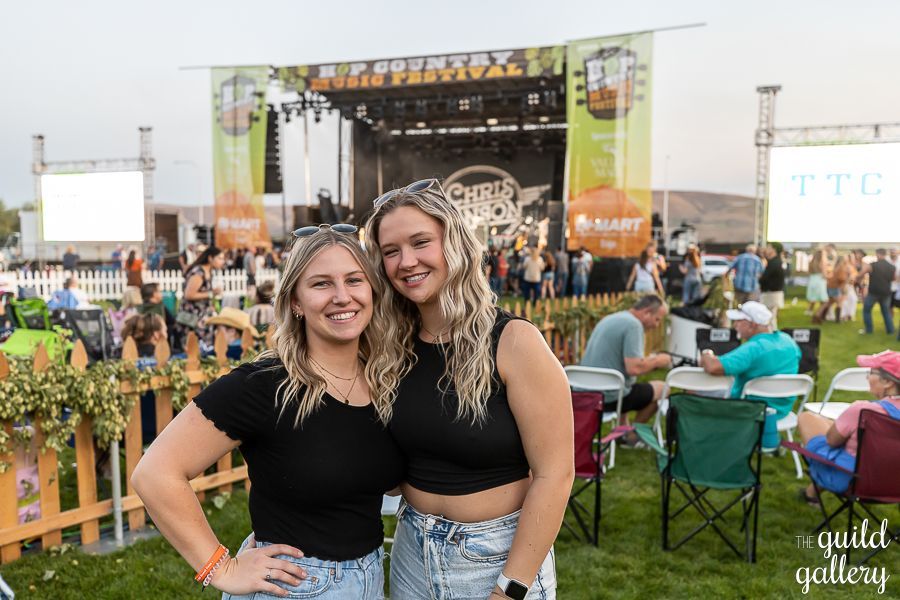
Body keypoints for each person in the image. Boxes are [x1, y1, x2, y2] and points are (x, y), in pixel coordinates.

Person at [132, 226, 404, 599]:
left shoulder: (382, 380)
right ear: (295, 302)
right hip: (295, 586)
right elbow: (154, 474)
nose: (342, 296)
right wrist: (221, 568)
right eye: (321, 284)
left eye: (354, 280)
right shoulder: (264, 385)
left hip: (369, 577)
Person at [365, 179, 573, 600]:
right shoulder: (391, 349)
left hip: (495, 559)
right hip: (411, 554)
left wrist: (511, 587)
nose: (407, 261)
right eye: (390, 251)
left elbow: (556, 474)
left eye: (420, 242)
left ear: (454, 243)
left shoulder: (513, 342)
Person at [797, 350, 900, 501]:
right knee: (847, 435)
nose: (867, 377)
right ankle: (811, 494)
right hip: (894, 484)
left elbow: (832, 441)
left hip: (853, 481)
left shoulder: (864, 411)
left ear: (888, 382)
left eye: (871, 372)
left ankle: (812, 493)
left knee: (807, 418)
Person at [699, 301, 800, 450]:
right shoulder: (789, 342)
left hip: (750, 410)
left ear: (752, 324)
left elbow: (713, 367)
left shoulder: (753, 348)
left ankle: (698, 434)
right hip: (781, 411)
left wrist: (706, 353)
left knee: (694, 389)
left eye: (738, 321)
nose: (734, 325)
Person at [580, 294, 671, 431]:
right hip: (607, 396)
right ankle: (631, 433)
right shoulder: (634, 325)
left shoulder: (611, 318)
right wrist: (658, 361)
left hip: (583, 391)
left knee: (625, 385)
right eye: (657, 319)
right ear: (647, 313)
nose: (656, 325)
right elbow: (634, 368)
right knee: (664, 389)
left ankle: (622, 430)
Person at [173, 245, 225, 348]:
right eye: (219, 258)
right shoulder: (199, 272)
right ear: (210, 258)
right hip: (192, 318)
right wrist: (211, 293)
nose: (222, 261)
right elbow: (189, 294)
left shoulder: (208, 272)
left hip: (201, 317)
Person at [858, 248, 896, 335]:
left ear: (878, 254)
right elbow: (893, 279)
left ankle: (869, 330)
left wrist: (856, 278)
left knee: (866, 310)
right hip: (886, 293)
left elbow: (861, 274)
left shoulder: (872, 265)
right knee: (886, 312)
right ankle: (890, 331)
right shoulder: (892, 267)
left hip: (873, 292)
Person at [759, 244, 786, 329]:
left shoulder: (774, 263)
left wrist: (760, 278)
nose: (766, 249)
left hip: (771, 293)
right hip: (773, 292)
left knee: (768, 318)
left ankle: (771, 334)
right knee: (771, 317)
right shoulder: (776, 262)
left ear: (774, 250)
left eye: (769, 248)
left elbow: (765, 278)